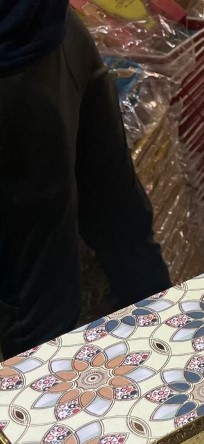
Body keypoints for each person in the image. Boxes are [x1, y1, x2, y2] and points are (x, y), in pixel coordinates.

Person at [0, 0, 171, 358]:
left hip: (53, 26)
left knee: (125, 225)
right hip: (10, 70)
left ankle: (172, 357)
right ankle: (55, 386)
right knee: (41, 301)